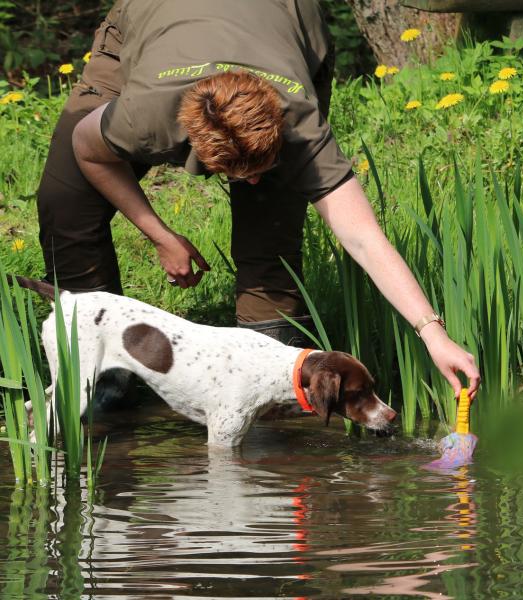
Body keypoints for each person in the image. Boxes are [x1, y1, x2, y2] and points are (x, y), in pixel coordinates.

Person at [37, 0, 480, 398]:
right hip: (153, 20)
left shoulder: (300, 126)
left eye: (259, 170)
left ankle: (271, 385)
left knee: (271, 226)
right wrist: (159, 234)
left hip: (287, 19)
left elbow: (364, 237)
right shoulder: (145, 115)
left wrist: (433, 334)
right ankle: (99, 372)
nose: (248, 183)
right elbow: (87, 149)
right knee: (65, 199)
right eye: (234, 174)